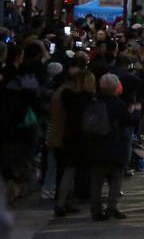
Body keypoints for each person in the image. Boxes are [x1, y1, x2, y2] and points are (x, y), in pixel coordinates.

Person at [49, 58, 92, 216]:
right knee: (67, 170)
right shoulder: (69, 95)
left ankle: (65, 201)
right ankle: (61, 203)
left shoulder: (62, 92)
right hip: (65, 136)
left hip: (61, 135)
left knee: (66, 170)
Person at [88, 74, 134, 221]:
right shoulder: (118, 104)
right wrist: (135, 112)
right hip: (115, 147)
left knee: (96, 181)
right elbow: (129, 120)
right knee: (116, 180)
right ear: (116, 87)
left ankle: (96, 211)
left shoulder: (94, 102)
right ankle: (111, 208)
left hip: (95, 147)